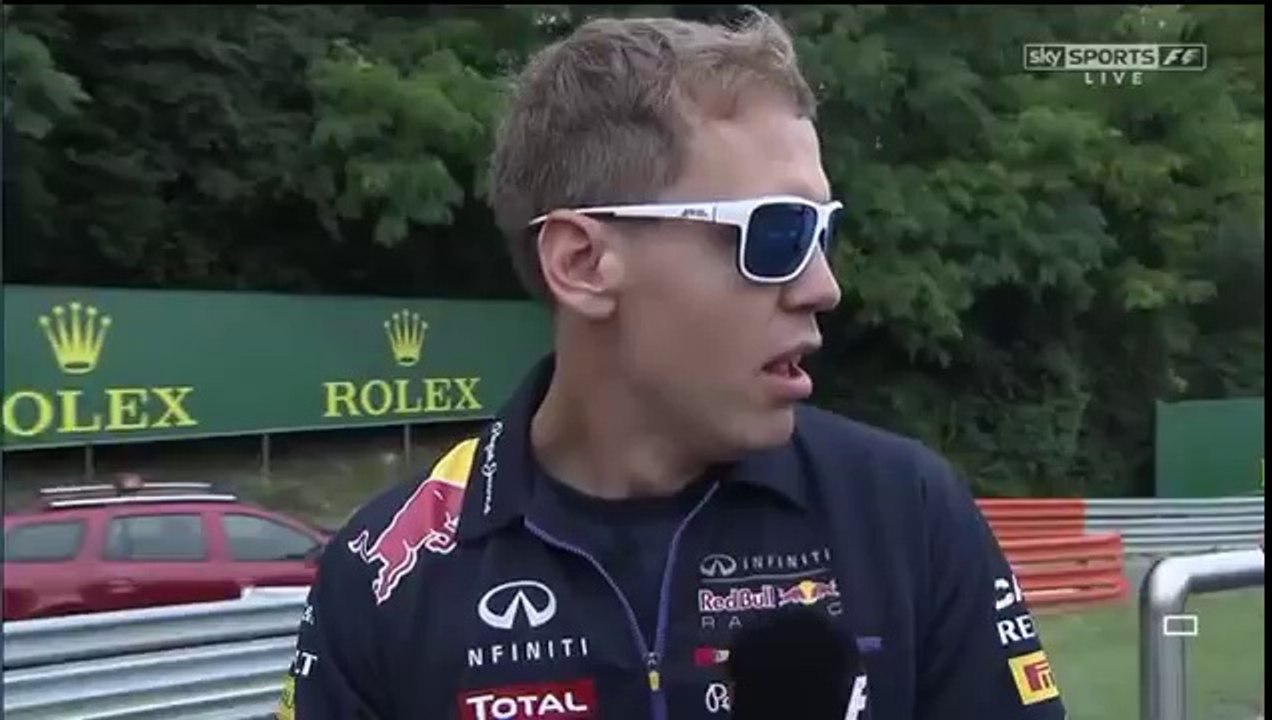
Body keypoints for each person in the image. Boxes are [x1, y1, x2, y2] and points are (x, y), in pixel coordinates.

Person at [276, 9, 1068, 720]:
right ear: (584, 263)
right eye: (777, 237)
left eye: (821, 233)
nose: (824, 288)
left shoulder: (906, 514)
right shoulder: (387, 571)